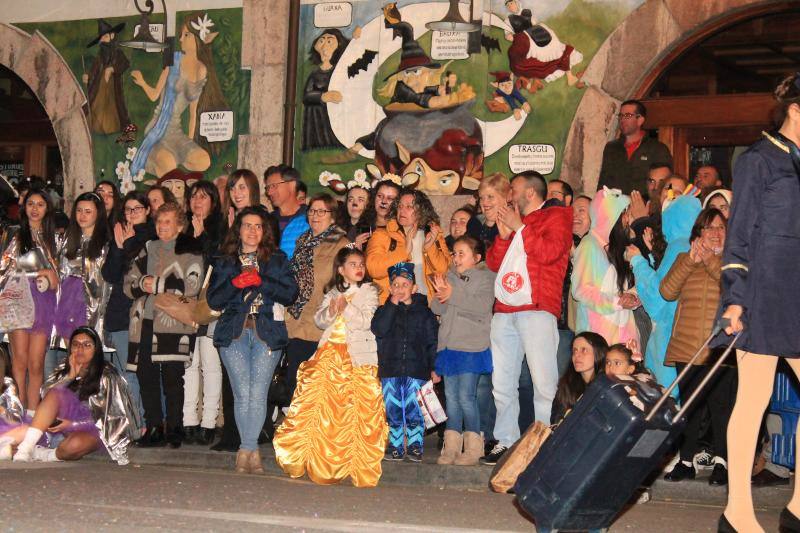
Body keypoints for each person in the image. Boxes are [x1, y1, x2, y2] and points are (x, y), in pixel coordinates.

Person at [716, 73, 800, 533]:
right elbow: (739, 236)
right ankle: (738, 513)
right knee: (753, 400)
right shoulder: (758, 160)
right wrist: (735, 299)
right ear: (796, 109)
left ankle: (799, 506)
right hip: (765, 296)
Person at [274, 248, 387, 486]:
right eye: (353, 264)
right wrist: (332, 309)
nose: (359, 268)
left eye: (361, 264)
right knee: (320, 407)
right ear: (341, 269)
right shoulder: (333, 292)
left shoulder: (369, 291)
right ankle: (315, 456)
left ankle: (354, 462)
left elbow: (366, 323)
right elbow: (320, 320)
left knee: (355, 409)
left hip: (355, 356)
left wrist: (346, 307)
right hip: (329, 353)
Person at [482, 171, 572, 465]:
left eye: (514, 189)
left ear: (531, 193)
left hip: (537, 310)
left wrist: (520, 228)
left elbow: (549, 253)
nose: (509, 195)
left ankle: (543, 442)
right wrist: (504, 235)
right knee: (502, 382)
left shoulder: (557, 216)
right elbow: (495, 263)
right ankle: (505, 440)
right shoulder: (513, 222)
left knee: (543, 382)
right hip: (505, 311)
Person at [207, 207, 298, 474]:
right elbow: (214, 299)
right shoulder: (225, 260)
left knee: (257, 393)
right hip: (233, 332)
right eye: (247, 225)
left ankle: (248, 449)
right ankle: (248, 449)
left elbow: (290, 293)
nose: (252, 231)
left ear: (265, 231)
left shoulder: (277, 259)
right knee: (242, 393)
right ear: (239, 229)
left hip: (266, 332)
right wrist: (235, 283)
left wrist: (261, 280)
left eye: (258, 226)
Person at [660, 207, 734, 487]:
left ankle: (723, 463)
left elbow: (732, 286)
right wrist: (691, 260)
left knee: (721, 409)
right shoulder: (684, 258)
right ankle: (686, 461)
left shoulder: (733, 260)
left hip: (721, 347)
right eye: (709, 228)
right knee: (689, 408)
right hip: (687, 346)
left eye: (720, 228)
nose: (715, 233)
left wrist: (712, 260)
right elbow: (667, 291)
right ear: (698, 233)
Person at [124, 202, 203, 449]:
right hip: (144, 322)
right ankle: (155, 428)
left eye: (168, 221)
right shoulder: (147, 249)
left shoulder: (191, 251)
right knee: (146, 376)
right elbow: (129, 283)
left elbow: (192, 285)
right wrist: (142, 284)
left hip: (174, 324)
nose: (162, 226)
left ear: (180, 225)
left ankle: (175, 428)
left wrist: (154, 283)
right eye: (159, 221)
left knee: (172, 378)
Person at [2, 327, 141, 465]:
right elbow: (46, 396)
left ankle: (41, 454)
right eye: (75, 344)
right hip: (58, 428)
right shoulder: (65, 367)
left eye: (87, 345)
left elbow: (112, 419)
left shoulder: (107, 375)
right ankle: (25, 449)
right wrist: (69, 377)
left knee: (74, 445)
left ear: (96, 349)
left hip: (92, 430)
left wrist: (73, 424)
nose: (80, 349)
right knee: (54, 395)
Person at [130, 12, 228, 177]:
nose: (181, 39)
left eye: (186, 35)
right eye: (181, 35)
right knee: (169, 164)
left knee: (203, 160)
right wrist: (142, 82)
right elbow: (154, 96)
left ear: (197, 38)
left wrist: (188, 145)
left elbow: (192, 112)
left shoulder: (201, 69)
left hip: (177, 132)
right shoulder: (173, 60)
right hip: (158, 128)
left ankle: (171, 165)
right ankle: (161, 164)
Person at [626, 194, 702, 393]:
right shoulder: (694, 246)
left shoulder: (678, 246)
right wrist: (652, 257)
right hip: (686, 336)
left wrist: (637, 261)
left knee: (665, 399)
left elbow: (658, 298)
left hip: (669, 337)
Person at [213, 168, 265, 453]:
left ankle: (249, 436)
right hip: (231, 311)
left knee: (253, 385)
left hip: (258, 314)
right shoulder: (226, 221)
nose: (237, 193)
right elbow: (219, 261)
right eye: (233, 188)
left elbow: (269, 255)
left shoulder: (261, 220)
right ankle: (233, 433)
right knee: (233, 378)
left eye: (243, 187)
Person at [431, 236, 494, 466]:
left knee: (467, 397)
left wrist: (453, 293)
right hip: (449, 347)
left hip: (471, 346)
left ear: (476, 258)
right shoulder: (449, 277)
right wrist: (441, 292)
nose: (456, 258)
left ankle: (474, 446)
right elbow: (436, 307)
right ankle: (452, 447)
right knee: (451, 398)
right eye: (454, 253)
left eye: (461, 254)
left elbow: (482, 305)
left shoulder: (486, 278)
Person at [371, 262, 438, 462]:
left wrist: (434, 368)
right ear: (390, 289)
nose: (400, 289)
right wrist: (391, 305)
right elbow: (379, 330)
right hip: (390, 370)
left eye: (405, 284)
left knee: (414, 409)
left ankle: (416, 445)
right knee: (392, 409)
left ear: (414, 288)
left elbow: (432, 341)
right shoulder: (384, 311)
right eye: (396, 285)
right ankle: (396, 444)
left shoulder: (424, 314)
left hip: (417, 370)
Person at [0, 189, 59, 409]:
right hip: (18, 300)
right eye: (31, 204)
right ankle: (19, 415)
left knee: (36, 365)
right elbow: (4, 269)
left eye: (40, 204)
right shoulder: (14, 235)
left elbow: (58, 276)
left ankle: (34, 418)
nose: (35, 209)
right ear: (25, 207)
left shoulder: (56, 237)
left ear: (48, 208)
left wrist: (48, 276)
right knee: (19, 362)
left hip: (44, 303)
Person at [285, 194, 348, 399]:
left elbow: (347, 283)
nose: (315, 215)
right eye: (312, 210)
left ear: (332, 216)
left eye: (322, 211)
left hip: (321, 323)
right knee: (294, 384)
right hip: (295, 320)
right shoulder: (302, 241)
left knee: (314, 388)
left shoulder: (341, 244)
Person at [101, 190, 155, 421]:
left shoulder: (152, 236)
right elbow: (111, 274)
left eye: (138, 209)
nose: (132, 214)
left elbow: (141, 272)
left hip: (141, 313)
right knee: (124, 372)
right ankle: (133, 421)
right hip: (118, 313)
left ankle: (141, 422)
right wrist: (119, 247)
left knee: (137, 371)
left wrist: (128, 245)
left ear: (148, 211)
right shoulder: (120, 234)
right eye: (128, 209)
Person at [181, 180, 225, 446]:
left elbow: (218, 261)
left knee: (210, 363)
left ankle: (209, 421)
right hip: (185, 303)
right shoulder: (182, 226)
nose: (197, 201)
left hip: (210, 303)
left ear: (213, 202)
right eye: (194, 196)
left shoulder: (220, 228)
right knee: (189, 362)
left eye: (203, 197)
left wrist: (202, 238)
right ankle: (189, 421)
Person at [571, 187, 640, 346]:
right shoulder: (590, 245)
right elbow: (581, 290)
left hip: (623, 337)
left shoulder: (621, 249)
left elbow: (636, 284)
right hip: (597, 339)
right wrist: (617, 302)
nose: (628, 220)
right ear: (611, 216)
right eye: (625, 214)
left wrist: (633, 297)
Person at [366, 188, 449, 303]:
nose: (402, 210)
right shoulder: (382, 235)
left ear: (421, 211)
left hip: (425, 307)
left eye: (409, 207)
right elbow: (373, 269)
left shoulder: (434, 234)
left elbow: (444, 271)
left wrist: (430, 247)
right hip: (392, 306)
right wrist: (404, 251)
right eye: (400, 206)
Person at [57, 192, 111, 345]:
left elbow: (106, 282)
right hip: (68, 300)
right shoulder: (68, 239)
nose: (82, 215)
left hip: (94, 302)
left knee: (89, 351)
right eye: (79, 210)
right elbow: (61, 271)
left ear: (98, 214)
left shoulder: (106, 243)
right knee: (72, 353)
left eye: (88, 211)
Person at [598, 100, 673, 195]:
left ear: (640, 120)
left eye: (628, 116)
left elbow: (667, 182)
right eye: (621, 116)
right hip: (615, 207)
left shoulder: (657, 149)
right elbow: (603, 181)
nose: (622, 119)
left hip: (645, 207)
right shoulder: (611, 148)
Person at [301, 28, 349, 151]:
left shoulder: (339, 72)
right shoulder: (315, 73)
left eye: (329, 42)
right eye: (322, 41)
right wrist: (322, 96)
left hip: (335, 114)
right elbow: (306, 96)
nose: (324, 47)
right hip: (316, 116)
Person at [83, 19, 130, 135]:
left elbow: (124, 63)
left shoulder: (118, 53)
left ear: (112, 35)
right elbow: (94, 70)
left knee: (113, 109)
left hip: (113, 88)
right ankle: (96, 127)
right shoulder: (100, 56)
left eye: (105, 37)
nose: (103, 40)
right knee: (96, 105)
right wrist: (87, 76)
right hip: (99, 87)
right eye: (102, 38)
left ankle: (112, 128)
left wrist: (112, 69)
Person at [550, 332, 608, 425]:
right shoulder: (567, 385)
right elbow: (556, 420)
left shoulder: (608, 385)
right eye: (574, 351)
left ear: (599, 352)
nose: (577, 355)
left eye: (584, 350)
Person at [265, 164, 309, 258]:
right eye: (267, 187)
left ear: (292, 185)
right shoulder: (267, 220)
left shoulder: (311, 217)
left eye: (273, 186)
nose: (269, 192)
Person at [476, 173, 511, 251]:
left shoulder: (512, 225)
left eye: (490, 197)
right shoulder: (474, 222)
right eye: (481, 198)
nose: (484, 203)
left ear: (505, 198)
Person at [337, 185, 373, 250]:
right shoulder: (337, 226)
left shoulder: (369, 229)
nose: (354, 204)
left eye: (360, 200)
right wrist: (353, 245)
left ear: (368, 204)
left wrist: (352, 245)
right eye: (350, 199)